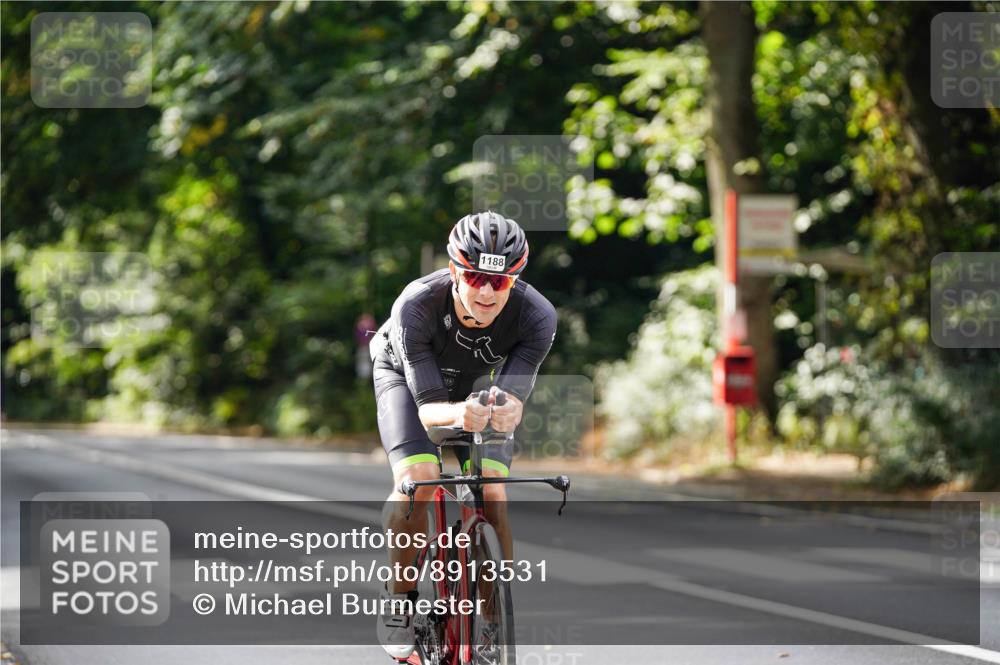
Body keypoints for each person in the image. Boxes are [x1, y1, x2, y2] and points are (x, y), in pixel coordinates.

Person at [369, 211, 556, 659]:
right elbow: (432, 414)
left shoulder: (537, 316)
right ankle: (400, 602)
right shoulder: (416, 305)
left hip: (475, 389)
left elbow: (513, 398)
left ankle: (493, 622)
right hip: (407, 380)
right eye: (475, 277)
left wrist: (509, 412)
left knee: (492, 492)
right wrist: (459, 415)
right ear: (454, 270)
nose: (487, 291)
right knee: (417, 477)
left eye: (501, 281)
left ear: (515, 279)